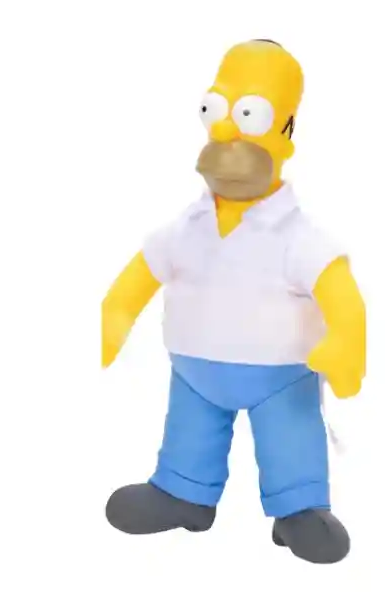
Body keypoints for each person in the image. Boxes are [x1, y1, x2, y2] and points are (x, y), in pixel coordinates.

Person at [101, 39, 366, 564]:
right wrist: (113, 318)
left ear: (284, 129)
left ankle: (299, 508)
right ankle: (182, 491)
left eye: (248, 116)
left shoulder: (298, 238)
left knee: (291, 437)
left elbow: (341, 292)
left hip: (280, 375)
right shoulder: (187, 227)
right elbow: (139, 275)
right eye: (216, 113)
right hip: (195, 372)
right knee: (189, 431)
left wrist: (346, 345)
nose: (226, 135)